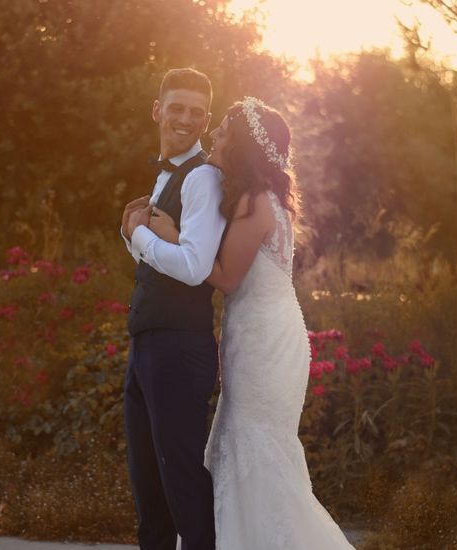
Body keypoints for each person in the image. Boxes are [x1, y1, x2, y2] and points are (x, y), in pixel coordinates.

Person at [143, 97, 355, 549]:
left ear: (240, 145)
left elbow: (224, 277)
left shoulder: (254, 202)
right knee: (255, 447)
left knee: (253, 448)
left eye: (222, 131)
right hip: (272, 330)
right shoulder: (271, 200)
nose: (214, 136)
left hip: (263, 340)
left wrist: (170, 237)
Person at [120, 68, 225, 550]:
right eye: (177, 108)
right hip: (148, 343)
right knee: (149, 492)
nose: (186, 119)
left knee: (182, 486)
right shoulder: (167, 177)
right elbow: (164, 257)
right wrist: (133, 238)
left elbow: (194, 266)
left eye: (198, 112)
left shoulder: (202, 178)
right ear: (157, 110)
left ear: (206, 121)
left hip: (179, 348)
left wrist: (137, 235)